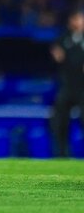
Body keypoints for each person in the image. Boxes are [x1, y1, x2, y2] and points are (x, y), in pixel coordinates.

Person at [50, 8, 84, 157]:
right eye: (75, 19)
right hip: (68, 85)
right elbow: (57, 52)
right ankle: (62, 153)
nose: (77, 22)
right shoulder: (64, 37)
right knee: (59, 118)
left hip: (82, 87)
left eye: (80, 19)